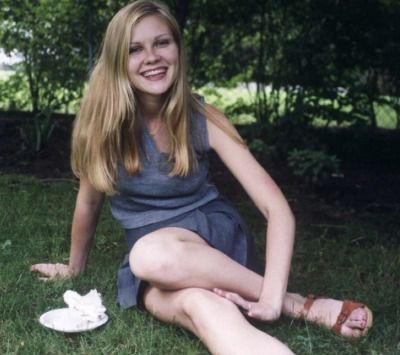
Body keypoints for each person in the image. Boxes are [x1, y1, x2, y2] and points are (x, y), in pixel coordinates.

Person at [30, 1, 373, 354]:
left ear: (177, 48)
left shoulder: (202, 117)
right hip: (154, 266)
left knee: (149, 256)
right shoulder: (103, 128)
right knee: (199, 305)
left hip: (213, 243)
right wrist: (74, 268)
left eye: (161, 42)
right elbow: (88, 201)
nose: (151, 56)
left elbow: (276, 209)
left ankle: (296, 304)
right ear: (118, 60)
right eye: (135, 49)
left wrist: (272, 296)